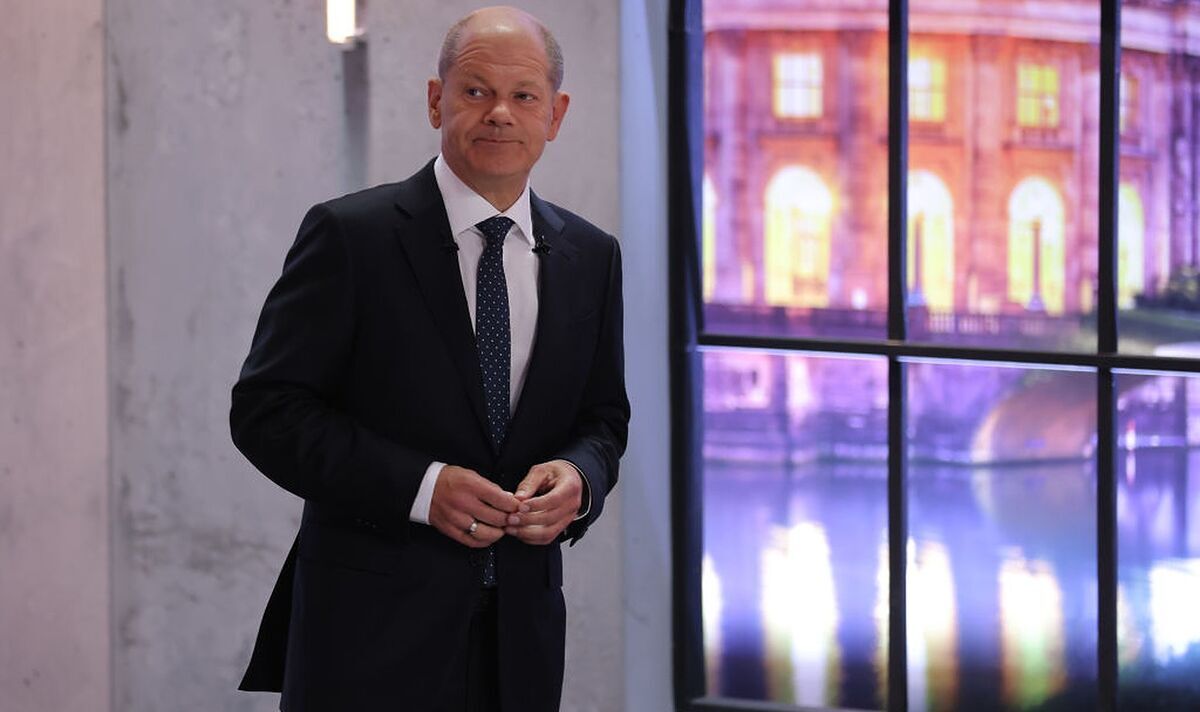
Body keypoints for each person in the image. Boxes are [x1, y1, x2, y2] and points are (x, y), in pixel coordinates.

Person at [229, 6, 629, 711]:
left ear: (555, 114)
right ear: (436, 100)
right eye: (476, 91)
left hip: (521, 644)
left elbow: (603, 420)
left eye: (523, 95)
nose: (499, 112)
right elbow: (267, 413)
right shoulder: (351, 236)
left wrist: (579, 478)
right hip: (366, 639)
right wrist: (422, 488)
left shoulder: (592, 256)